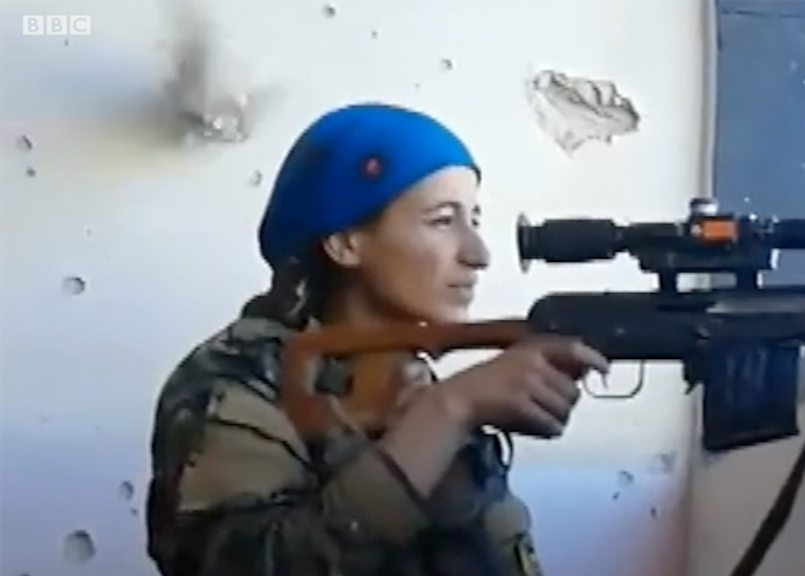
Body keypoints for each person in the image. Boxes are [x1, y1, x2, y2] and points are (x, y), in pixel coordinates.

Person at [144, 102, 610, 576]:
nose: (478, 253)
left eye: (474, 219)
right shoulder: (236, 381)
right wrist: (446, 413)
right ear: (345, 242)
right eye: (442, 221)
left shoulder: (405, 380)